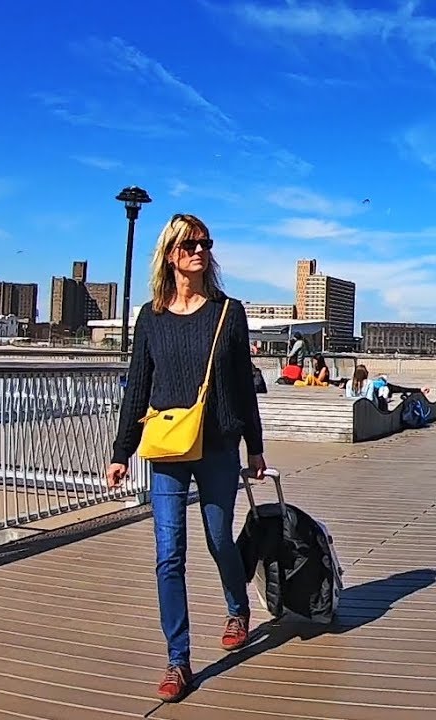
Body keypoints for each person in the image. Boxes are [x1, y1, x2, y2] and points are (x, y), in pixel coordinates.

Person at [105, 213, 266, 703]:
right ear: (171, 254)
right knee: (168, 553)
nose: (200, 251)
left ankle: (238, 608)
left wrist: (254, 446)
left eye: (205, 243)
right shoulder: (150, 318)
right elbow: (138, 388)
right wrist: (120, 452)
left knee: (219, 537)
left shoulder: (227, 312)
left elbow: (243, 386)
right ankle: (179, 661)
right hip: (169, 448)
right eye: (189, 244)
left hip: (217, 444)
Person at [346, 363, 430, 411]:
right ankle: (385, 396)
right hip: (371, 407)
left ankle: (384, 388)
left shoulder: (349, 383)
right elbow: (370, 398)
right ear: (365, 373)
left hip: (353, 405)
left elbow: (348, 397)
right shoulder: (369, 383)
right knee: (385, 389)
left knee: (384, 388)